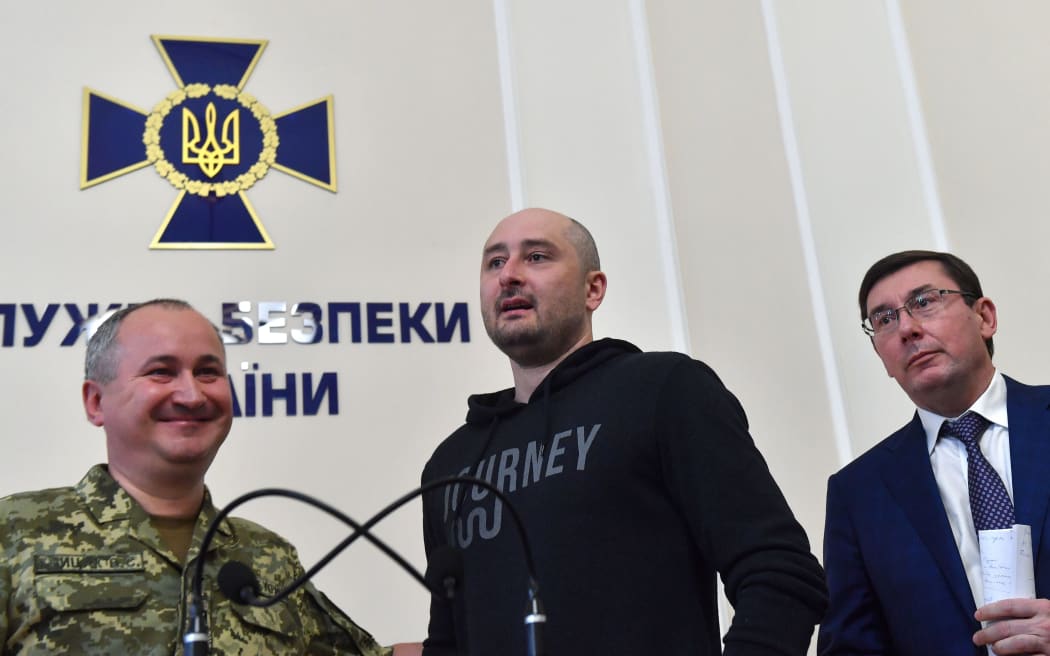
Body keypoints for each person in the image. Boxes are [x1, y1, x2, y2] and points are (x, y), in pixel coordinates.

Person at [420, 208, 827, 655]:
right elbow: (448, 643)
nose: (509, 276)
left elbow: (779, 571)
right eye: (494, 263)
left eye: (536, 257)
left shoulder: (663, 391)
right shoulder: (452, 464)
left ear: (593, 289)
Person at [0, 299, 421, 656]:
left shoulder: (265, 556)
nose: (192, 394)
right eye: (161, 372)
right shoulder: (15, 532)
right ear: (96, 401)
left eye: (208, 372)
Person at [819, 250, 1050, 656]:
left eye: (924, 302)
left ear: (984, 317)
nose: (906, 328)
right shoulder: (859, 493)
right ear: (881, 357)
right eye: (885, 319)